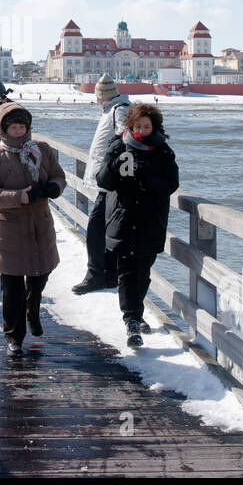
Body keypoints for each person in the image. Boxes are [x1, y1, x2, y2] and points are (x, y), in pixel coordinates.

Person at [0, 102, 66, 356]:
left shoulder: (43, 151)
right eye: (13, 128)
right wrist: (20, 197)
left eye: (22, 127)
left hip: (39, 225)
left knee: (40, 276)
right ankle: (13, 335)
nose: (18, 132)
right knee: (12, 286)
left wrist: (54, 188)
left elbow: (59, 176)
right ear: (4, 129)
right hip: (8, 229)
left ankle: (33, 308)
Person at [95, 103, 180, 347]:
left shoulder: (163, 151)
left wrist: (145, 178)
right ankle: (131, 321)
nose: (142, 131)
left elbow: (171, 183)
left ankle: (136, 313)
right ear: (130, 126)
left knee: (143, 272)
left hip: (151, 220)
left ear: (155, 126)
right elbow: (102, 181)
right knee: (127, 271)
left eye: (147, 126)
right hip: (124, 217)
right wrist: (114, 167)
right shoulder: (118, 145)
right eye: (138, 126)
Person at [72, 74, 130, 295]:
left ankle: (95, 275)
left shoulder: (119, 110)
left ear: (101, 97)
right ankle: (108, 274)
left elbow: (124, 139)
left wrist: (110, 169)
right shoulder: (112, 109)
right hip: (107, 181)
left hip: (111, 183)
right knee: (104, 230)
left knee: (96, 230)